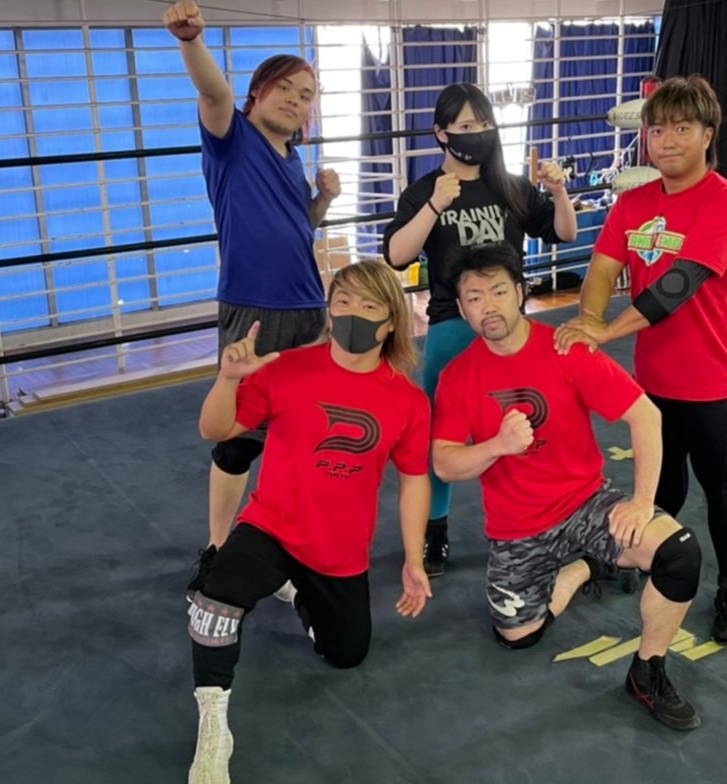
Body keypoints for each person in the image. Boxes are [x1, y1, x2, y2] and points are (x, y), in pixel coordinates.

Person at [432, 244, 702, 731]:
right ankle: (586, 567)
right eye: (474, 298)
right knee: (517, 636)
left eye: (498, 292)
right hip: (517, 525)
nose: (488, 306)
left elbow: (646, 416)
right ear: (462, 308)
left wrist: (642, 503)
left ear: (520, 292)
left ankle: (647, 671)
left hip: (585, 503)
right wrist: (496, 445)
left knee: (678, 552)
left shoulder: (565, 349)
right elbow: (445, 464)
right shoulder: (458, 377)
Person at [186, 260, 433, 782]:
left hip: (338, 548)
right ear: (329, 310)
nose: (352, 314)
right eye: (342, 301)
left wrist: (414, 560)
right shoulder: (287, 368)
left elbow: (414, 480)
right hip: (272, 526)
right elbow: (216, 429)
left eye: (369, 305)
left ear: (391, 320)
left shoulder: (408, 401)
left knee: (346, 653)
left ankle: (300, 595)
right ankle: (214, 725)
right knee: (213, 602)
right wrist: (227, 379)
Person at [554, 75, 727, 646]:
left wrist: (606, 332)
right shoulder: (634, 203)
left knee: (720, 487)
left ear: (708, 135)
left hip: (713, 378)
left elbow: (678, 286)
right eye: (657, 130)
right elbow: (602, 268)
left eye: (682, 129)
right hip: (655, 379)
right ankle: (647, 557)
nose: (666, 141)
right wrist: (589, 319)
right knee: (661, 484)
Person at [164, 0, 341, 588]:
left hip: (308, 310)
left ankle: (280, 546)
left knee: (297, 435)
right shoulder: (230, 138)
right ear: (258, 92)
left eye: (305, 94)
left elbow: (296, 230)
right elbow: (212, 93)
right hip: (253, 310)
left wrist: (322, 201)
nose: (294, 99)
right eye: (284, 87)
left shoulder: (292, 158)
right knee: (237, 438)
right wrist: (191, 41)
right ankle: (218, 549)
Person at [383, 82, 578, 577]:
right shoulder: (424, 191)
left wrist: (559, 192)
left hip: (511, 328)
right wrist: (434, 205)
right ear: (441, 133)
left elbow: (563, 232)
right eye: (466, 125)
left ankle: (542, 519)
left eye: (484, 123)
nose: (478, 133)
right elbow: (396, 256)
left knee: (528, 424)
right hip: (453, 325)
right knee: (440, 434)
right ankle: (435, 528)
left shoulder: (510, 187)